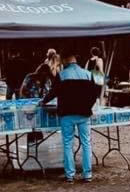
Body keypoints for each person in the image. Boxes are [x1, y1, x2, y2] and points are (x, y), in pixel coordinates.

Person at [40, 52, 98, 183]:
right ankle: (87, 174)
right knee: (86, 143)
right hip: (84, 114)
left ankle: (70, 174)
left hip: (67, 114)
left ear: (66, 60)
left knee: (67, 144)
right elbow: (94, 94)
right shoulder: (88, 74)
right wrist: (87, 106)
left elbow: (53, 92)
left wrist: (43, 101)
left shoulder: (62, 75)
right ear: (75, 60)